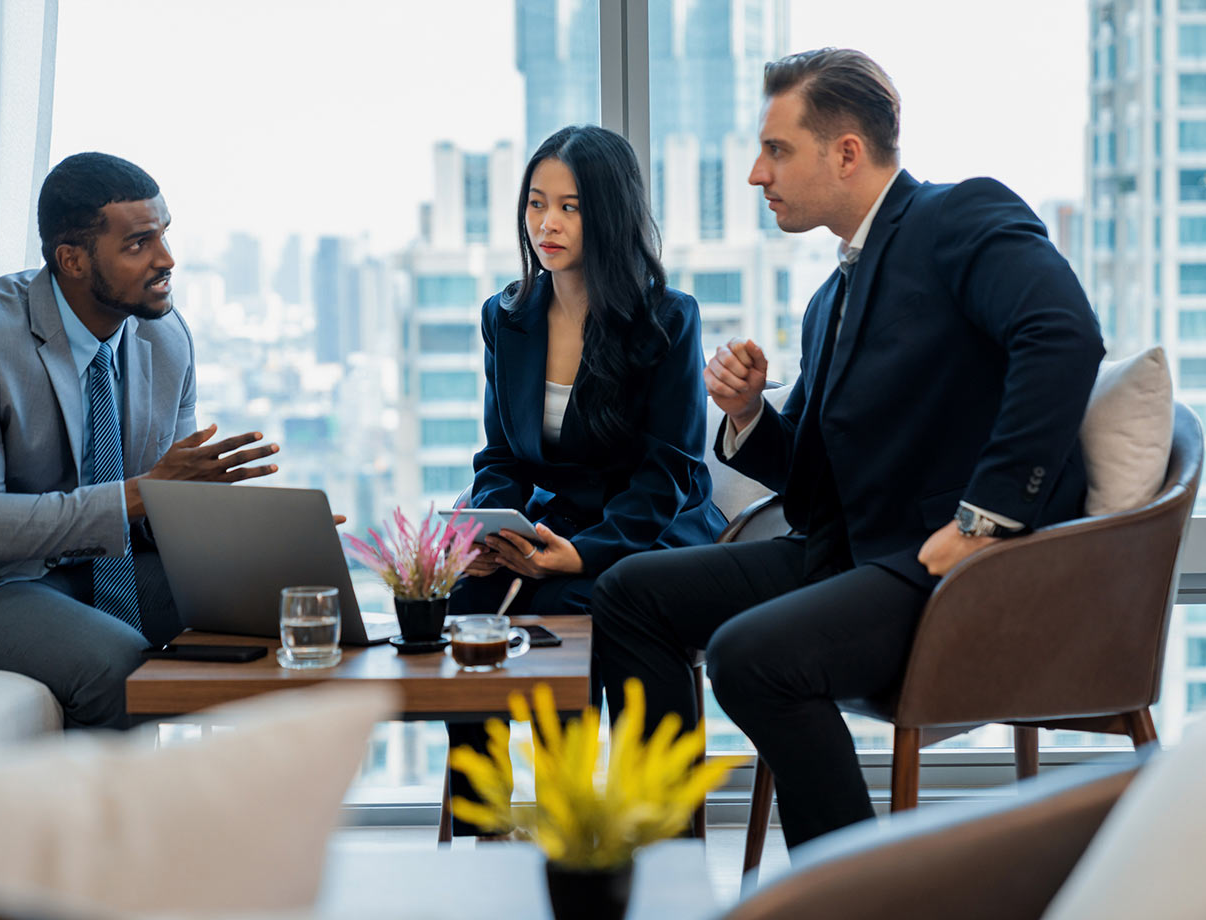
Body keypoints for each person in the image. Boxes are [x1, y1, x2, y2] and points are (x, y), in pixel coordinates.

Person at [588, 48, 1105, 850]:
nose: (758, 175)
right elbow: (812, 489)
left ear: (847, 152)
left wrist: (988, 517)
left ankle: (853, 899)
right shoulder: (830, 296)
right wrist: (752, 415)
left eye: (777, 150)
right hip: (849, 551)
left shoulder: (958, 218)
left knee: (750, 657)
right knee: (628, 594)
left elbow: (1063, 333)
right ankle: (665, 869)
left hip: (950, 565)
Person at [0, 152, 282, 729]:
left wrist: (248, 535)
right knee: (118, 666)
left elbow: (169, 495)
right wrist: (141, 495)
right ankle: (111, 819)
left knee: (278, 602)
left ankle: (247, 812)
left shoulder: (164, 337)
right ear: (71, 259)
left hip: (94, 561)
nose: (167, 260)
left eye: (164, 235)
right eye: (139, 244)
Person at [445, 125, 727, 836]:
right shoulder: (505, 316)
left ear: (608, 212)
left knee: (576, 592)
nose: (547, 223)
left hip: (647, 526)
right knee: (466, 598)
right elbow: (500, 457)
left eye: (570, 206)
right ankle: (484, 824)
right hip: (549, 521)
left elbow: (671, 469)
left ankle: (622, 823)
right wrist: (491, 527)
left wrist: (586, 551)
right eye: (537, 204)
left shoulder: (668, 318)